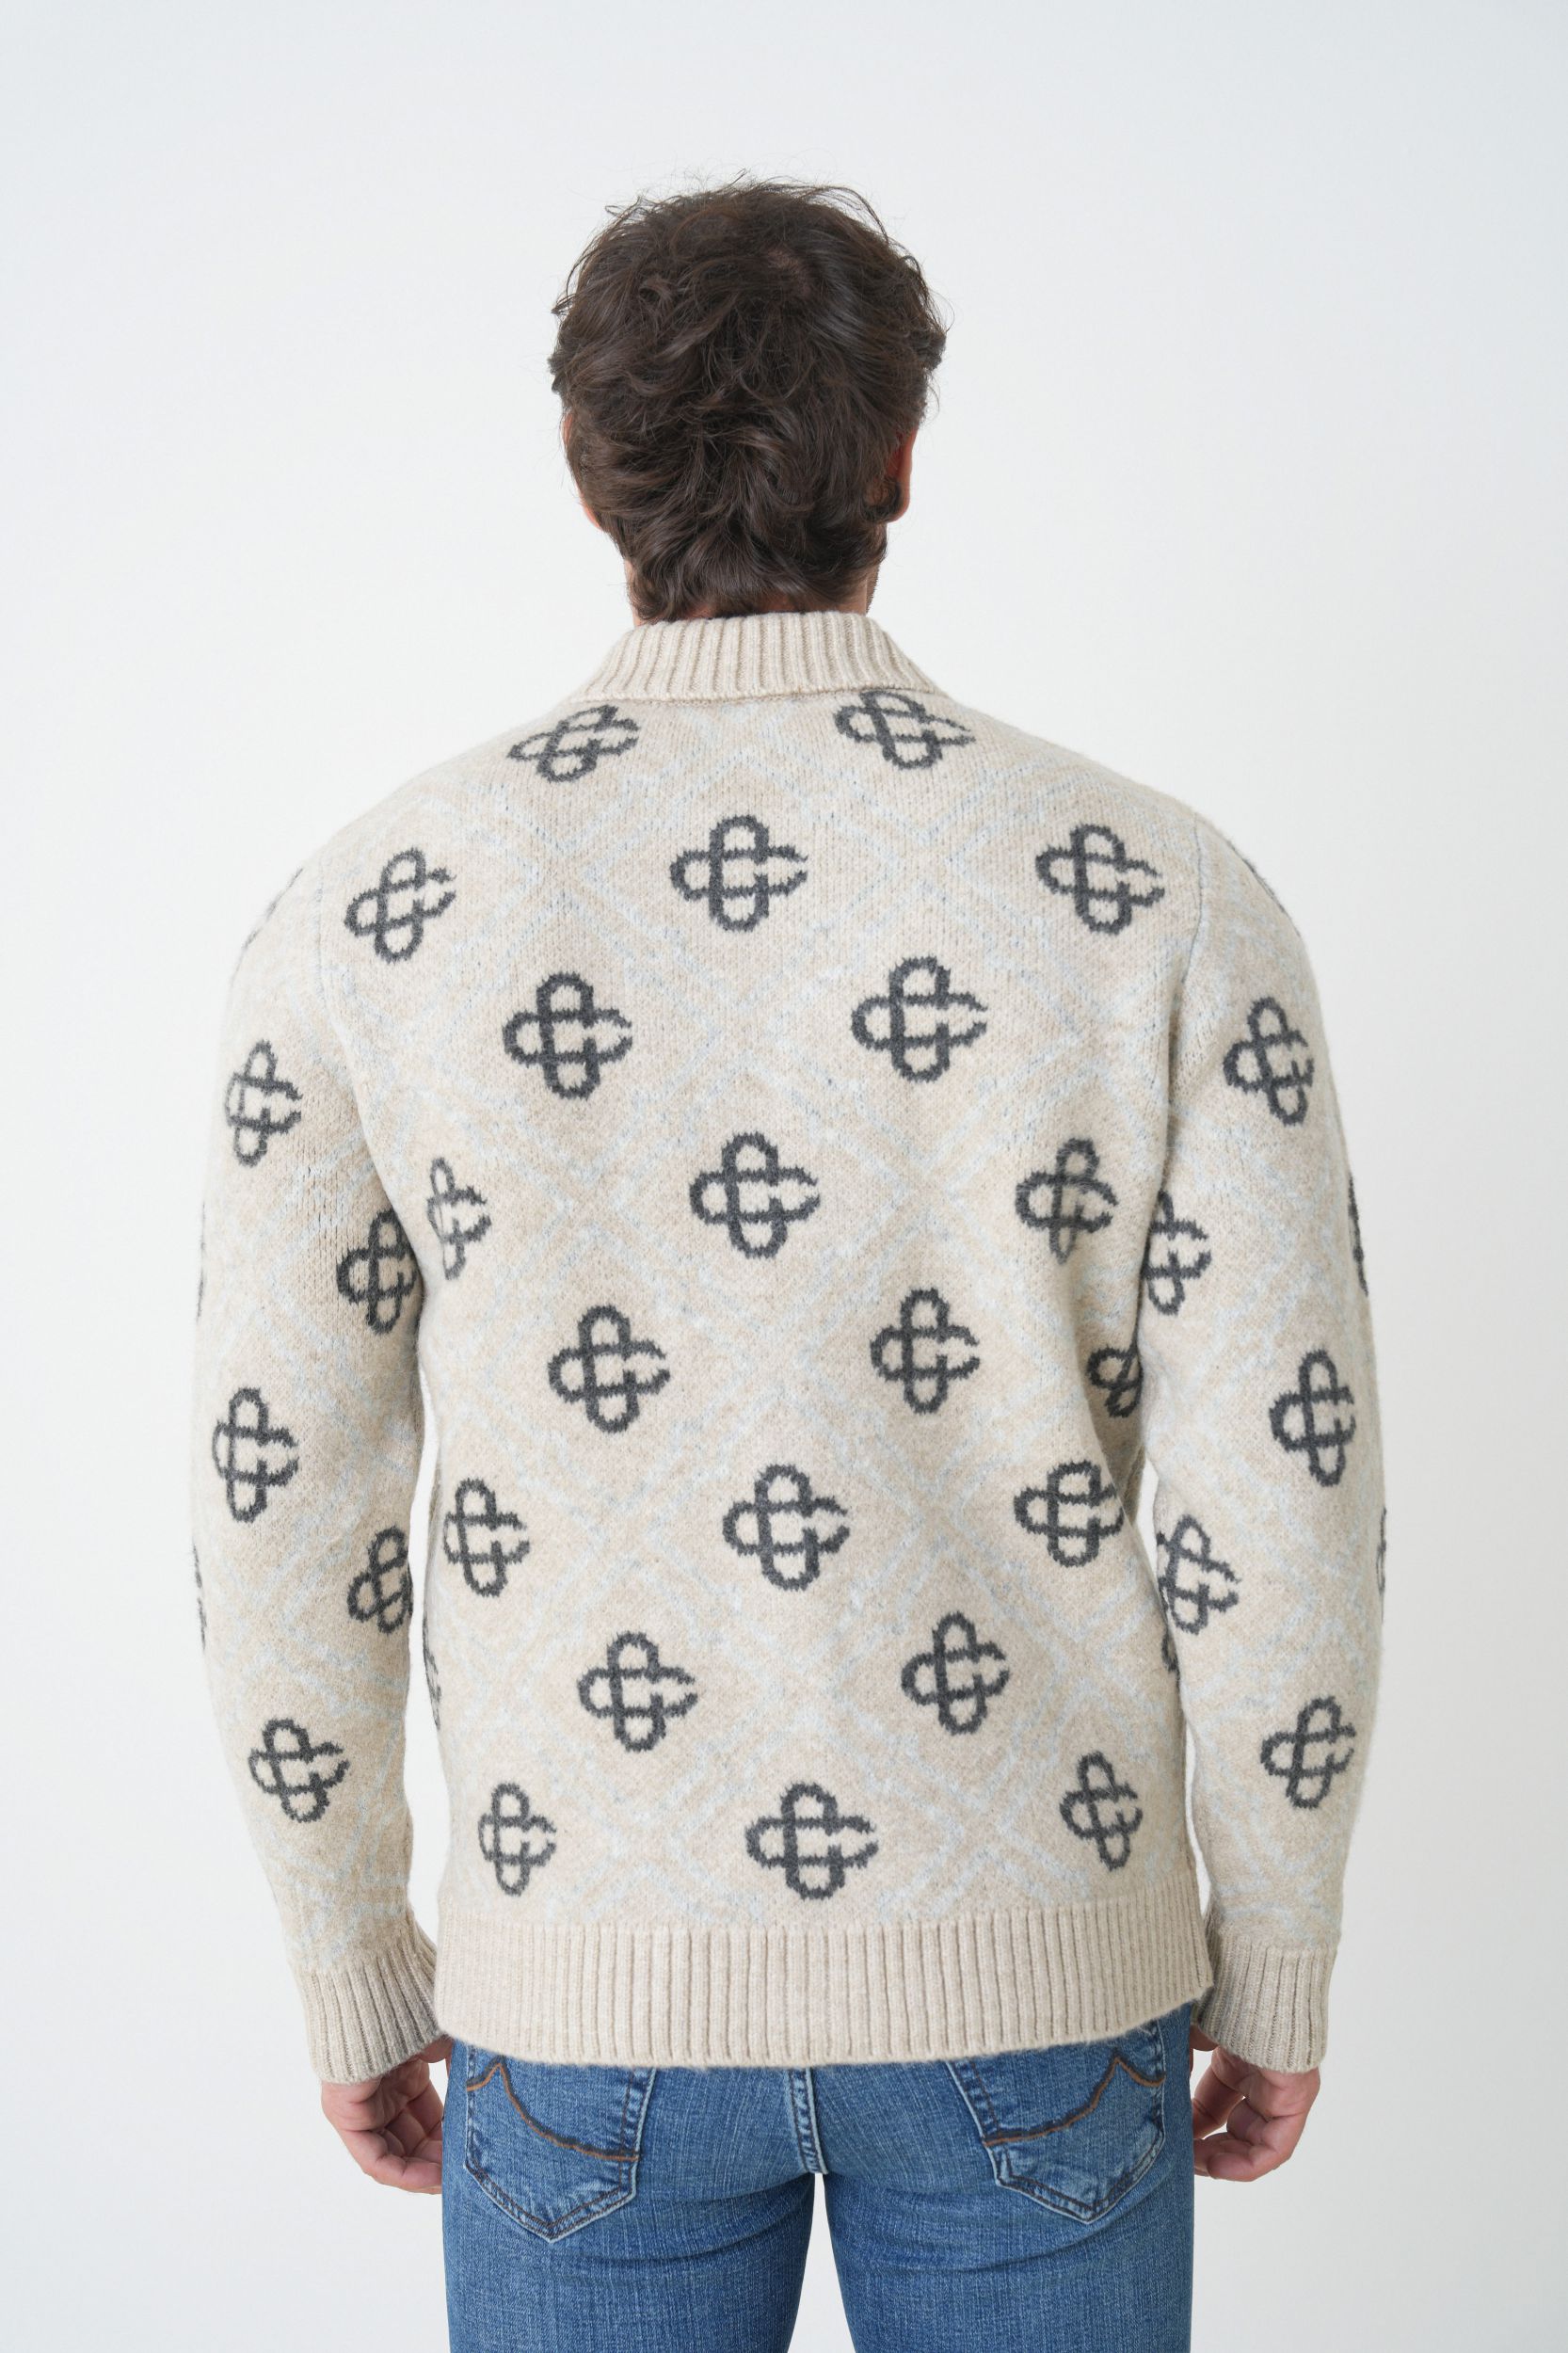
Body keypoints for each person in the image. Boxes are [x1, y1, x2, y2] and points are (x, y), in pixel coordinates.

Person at [190, 179, 1384, 2353]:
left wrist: (354, 1950)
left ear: (586, 470)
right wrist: (1277, 1949)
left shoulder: (369, 913)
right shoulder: (1155, 894)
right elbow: (1278, 1495)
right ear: (898, 456)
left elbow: (280, 1491)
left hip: (585, 1977)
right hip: (1039, 1971)